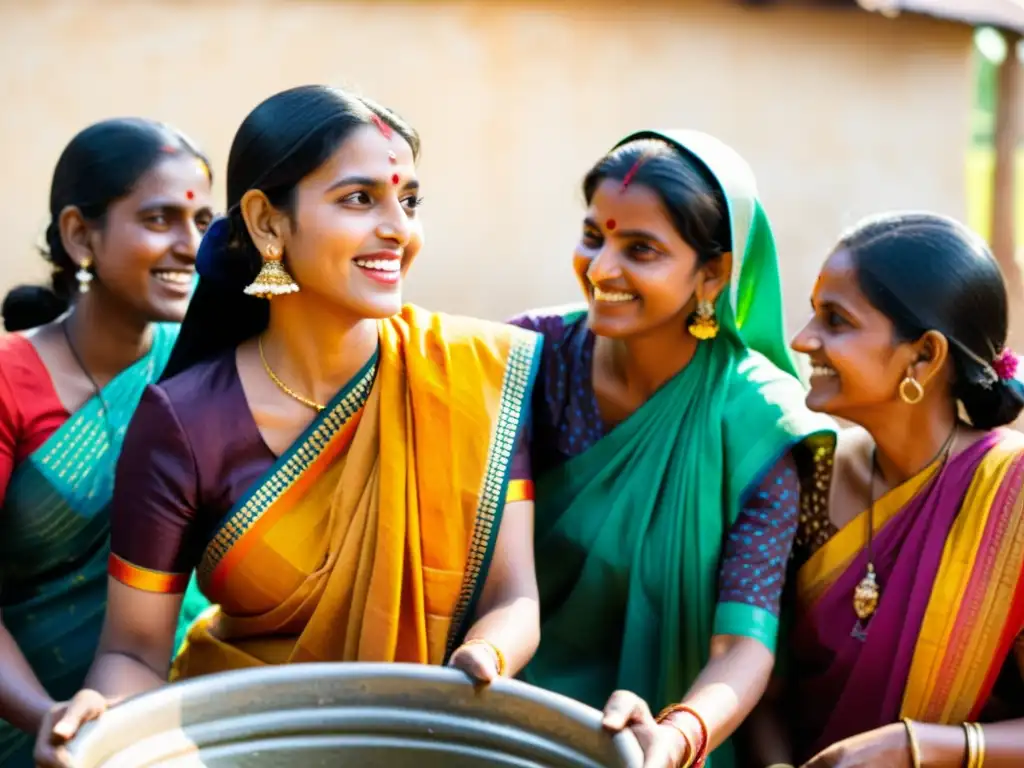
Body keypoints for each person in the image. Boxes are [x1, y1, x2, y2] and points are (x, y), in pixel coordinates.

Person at [34, 85, 542, 768]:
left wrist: (483, 657)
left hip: (424, 737)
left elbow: (516, 599)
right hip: (232, 748)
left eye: (410, 201)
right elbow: (132, 651)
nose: (399, 228)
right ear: (269, 225)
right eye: (360, 199)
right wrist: (98, 727)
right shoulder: (184, 421)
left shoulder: (475, 377)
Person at [507, 130, 836, 768]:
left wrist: (676, 735)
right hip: (505, 715)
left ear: (712, 274)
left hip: (674, 735)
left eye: (641, 250)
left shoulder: (755, 421)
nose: (601, 269)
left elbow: (744, 643)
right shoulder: (530, 359)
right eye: (593, 237)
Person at [764, 212, 1024, 767]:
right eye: (814, 314)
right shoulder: (810, 474)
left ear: (925, 356)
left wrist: (918, 748)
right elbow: (766, 683)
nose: (803, 339)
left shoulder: (1012, 497)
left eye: (835, 320)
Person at [0, 118, 215, 767]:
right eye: (159, 220)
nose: (191, 246)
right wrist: (53, 719)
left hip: (194, 716)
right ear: (79, 234)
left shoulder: (206, 363)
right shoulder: (10, 380)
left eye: (205, 222)